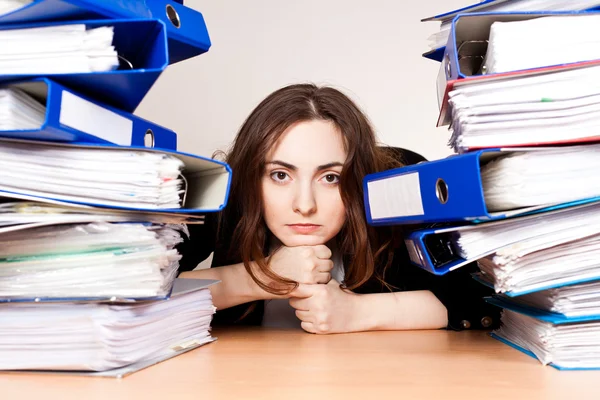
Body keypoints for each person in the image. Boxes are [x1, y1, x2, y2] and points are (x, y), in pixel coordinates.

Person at [177, 83, 499, 334]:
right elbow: (141, 292)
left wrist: (356, 312)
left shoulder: (397, 183)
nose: (304, 205)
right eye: (280, 175)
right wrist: (262, 277)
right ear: (253, 176)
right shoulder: (225, 193)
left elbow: (482, 296)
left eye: (330, 177)